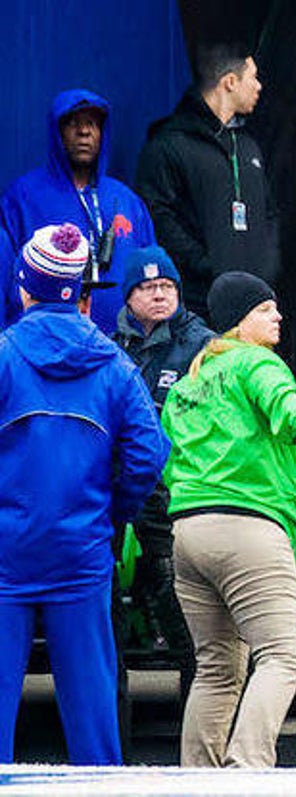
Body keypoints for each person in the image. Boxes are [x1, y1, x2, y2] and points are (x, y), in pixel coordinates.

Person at [0, 223, 167, 765]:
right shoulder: (114, 364)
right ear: (83, 293)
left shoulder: (4, 355)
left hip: (6, 555)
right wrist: (112, 516)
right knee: (93, 714)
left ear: (24, 287)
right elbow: (149, 454)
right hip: (82, 554)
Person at [160, 271, 296, 767]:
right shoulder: (256, 362)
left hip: (189, 533)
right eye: (265, 309)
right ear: (241, 321)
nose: (277, 315)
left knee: (217, 667)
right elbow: (279, 398)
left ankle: (198, 776)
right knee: (284, 655)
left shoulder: (189, 382)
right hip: (248, 529)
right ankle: (247, 770)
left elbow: (165, 454)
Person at [113, 246, 214, 655]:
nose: (159, 295)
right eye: (148, 287)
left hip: (174, 490)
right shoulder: (109, 345)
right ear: (128, 297)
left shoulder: (204, 347)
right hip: (121, 485)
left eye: (167, 286)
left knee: (181, 599)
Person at [136, 43, 279, 318]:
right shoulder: (168, 144)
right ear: (230, 82)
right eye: (254, 77)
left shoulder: (249, 147)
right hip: (198, 305)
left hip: (253, 306)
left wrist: (268, 266)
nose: (259, 86)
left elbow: (270, 212)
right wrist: (207, 265)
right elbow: (158, 214)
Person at [0, 89, 157, 334]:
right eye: (74, 123)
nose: (84, 131)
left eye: (93, 123)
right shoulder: (23, 197)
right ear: (57, 131)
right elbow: (6, 277)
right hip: (47, 343)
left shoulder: (125, 199)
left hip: (123, 345)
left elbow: (152, 269)